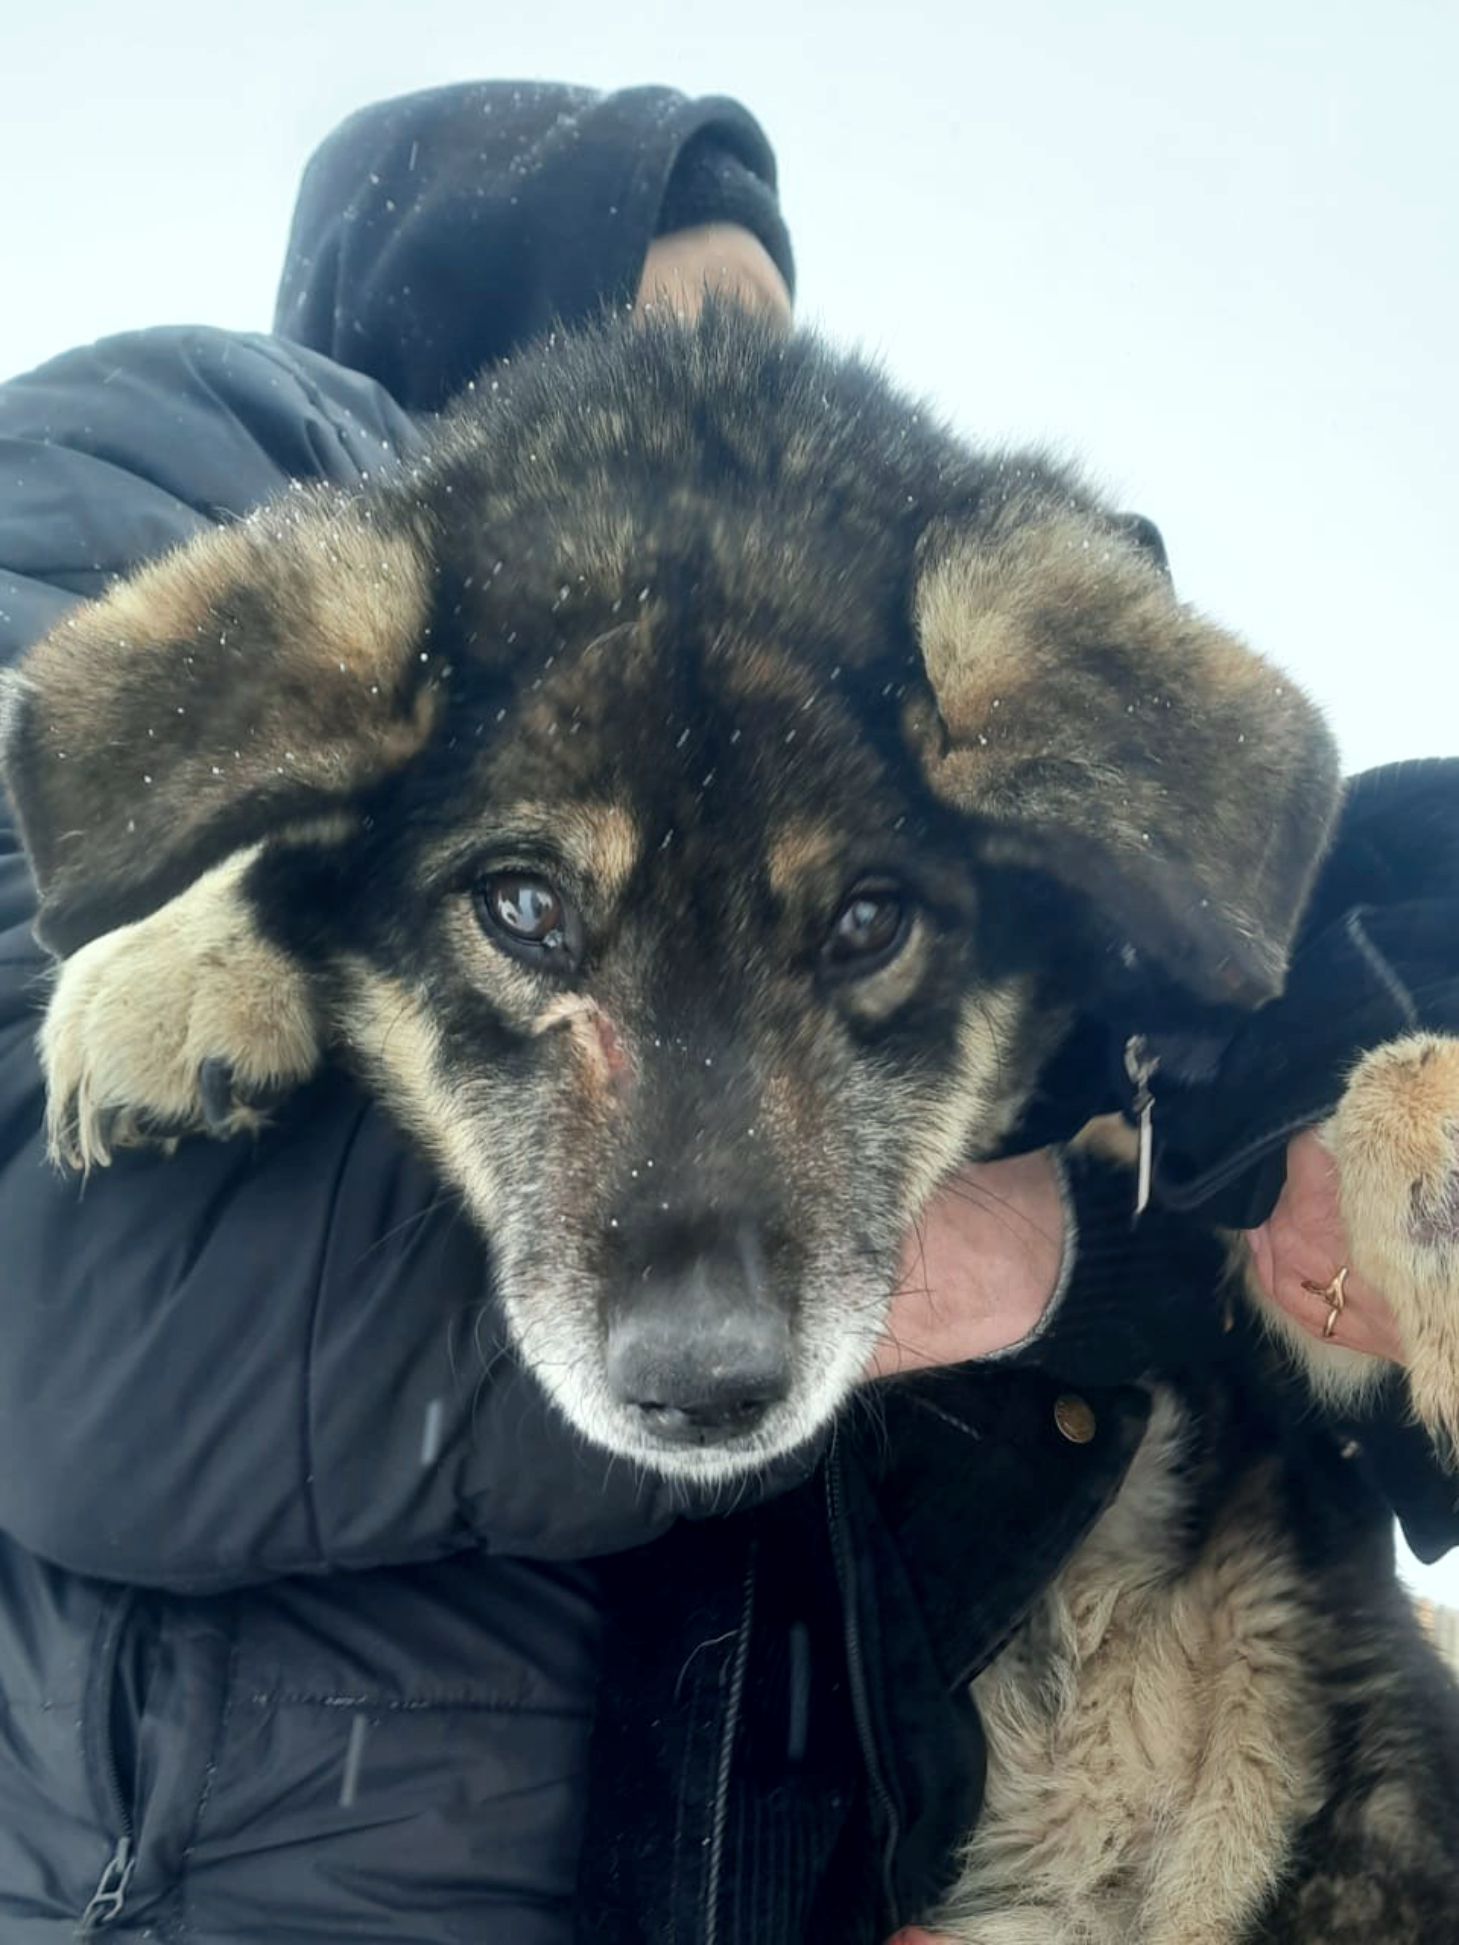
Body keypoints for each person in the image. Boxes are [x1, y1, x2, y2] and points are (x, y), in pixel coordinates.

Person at [0, 80, 1454, 1944]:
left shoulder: (849, 687)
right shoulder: (187, 457)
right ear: (464, 329)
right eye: (677, 339)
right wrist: (1079, 1249)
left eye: (780, 354)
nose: (758, 431)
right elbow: (93, 1331)